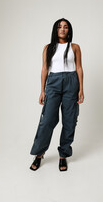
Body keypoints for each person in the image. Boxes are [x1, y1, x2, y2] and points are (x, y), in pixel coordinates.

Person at [29, 18, 84, 171]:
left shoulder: (75, 47)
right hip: (53, 82)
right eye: (60, 27)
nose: (62, 29)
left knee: (69, 119)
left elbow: (79, 68)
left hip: (71, 82)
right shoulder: (48, 48)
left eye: (66, 27)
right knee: (47, 120)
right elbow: (44, 69)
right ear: (55, 29)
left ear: (69, 30)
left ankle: (63, 155)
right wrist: (42, 90)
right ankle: (39, 154)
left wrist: (81, 88)